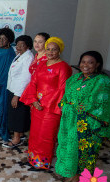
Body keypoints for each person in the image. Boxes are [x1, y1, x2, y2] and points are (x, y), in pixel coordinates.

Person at [55, 51, 110, 182]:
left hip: (88, 125)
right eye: (83, 62)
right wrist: (65, 105)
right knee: (69, 149)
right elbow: (66, 96)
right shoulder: (76, 78)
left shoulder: (102, 81)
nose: (85, 65)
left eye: (90, 62)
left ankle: (79, 181)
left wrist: (74, 106)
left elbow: (99, 104)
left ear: (97, 64)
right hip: (70, 121)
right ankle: (71, 175)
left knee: (84, 154)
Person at [20, 37, 72, 170]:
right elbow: (33, 82)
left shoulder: (63, 67)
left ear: (59, 51)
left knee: (46, 135)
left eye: (54, 50)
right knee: (35, 134)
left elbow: (63, 89)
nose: (50, 52)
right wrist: (33, 100)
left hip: (51, 108)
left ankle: (42, 163)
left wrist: (45, 103)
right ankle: (32, 159)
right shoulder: (42, 64)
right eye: (48, 49)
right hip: (37, 106)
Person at [4, 35, 34, 148]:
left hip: (19, 91)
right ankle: (20, 135)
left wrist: (17, 95)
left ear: (28, 46)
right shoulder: (20, 55)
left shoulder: (28, 57)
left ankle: (16, 139)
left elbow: (25, 78)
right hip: (14, 88)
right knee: (17, 113)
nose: (18, 47)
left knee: (17, 115)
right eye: (17, 45)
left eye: (22, 45)